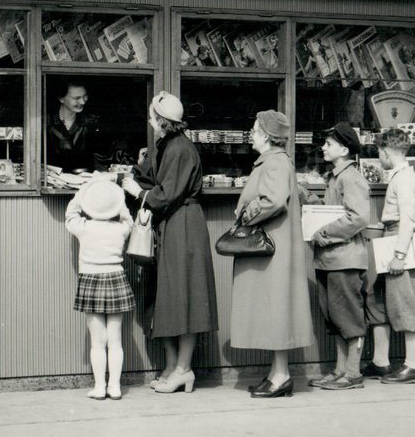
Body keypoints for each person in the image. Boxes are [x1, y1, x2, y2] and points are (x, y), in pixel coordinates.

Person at [121, 92, 217, 394]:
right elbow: (152, 179)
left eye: (152, 116)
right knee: (167, 298)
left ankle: (184, 369)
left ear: (162, 121)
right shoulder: (168, 146)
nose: (149, 121)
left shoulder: (179, 149)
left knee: (183, 298)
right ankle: (174, 366)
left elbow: (165, 194)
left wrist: (137, 192)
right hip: (174, 225)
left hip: (182, 226)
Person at [230, 110, 316, 398]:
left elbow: (273, 200)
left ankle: (281, 376)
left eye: (254, 130)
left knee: (276, 311)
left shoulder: (275, 162)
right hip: (274, 248)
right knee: (274, 312)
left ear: (266, 136)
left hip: (273, 251)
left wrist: (245, 214)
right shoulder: (275, 161)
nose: (251, 134)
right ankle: (277, 373)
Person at [308, 122, 370, 391]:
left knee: (349, 318)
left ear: (344, 149)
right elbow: (335, 212)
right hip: (331, 259)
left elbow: (359, 217)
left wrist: (325, 231)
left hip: (344, 259)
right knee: (335, 317)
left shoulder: (351, 177)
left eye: (329, 144)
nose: (323, 147)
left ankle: (353, 373)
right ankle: (340, 370)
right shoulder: (335, 176)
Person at [65, 179, 135, 401]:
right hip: (116, 279)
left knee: (98, 340)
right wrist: (118, 200)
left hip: (91, 280)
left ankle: (99, 386)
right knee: (115, 339)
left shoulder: (83, 228)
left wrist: (84, 189)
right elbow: (128, 219)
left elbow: (70, 214)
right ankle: (115, 387)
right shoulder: (121, 229)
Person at [370, 127, 415, 384]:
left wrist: (399, 255)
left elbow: (407, 220)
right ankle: (381, 361)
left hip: (399, 241)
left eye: (378, 152)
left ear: (384, 151)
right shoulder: (402, 175)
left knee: (405, 303)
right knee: (382, 301)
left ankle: (413, 365)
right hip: (392, 238)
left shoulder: (403, 179)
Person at [46, 81, 101, 172]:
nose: (82, 102)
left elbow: (99, 157)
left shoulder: (91, 122)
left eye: (85, 96)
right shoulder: (45, 122)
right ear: (61, 98)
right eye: (77, 98)